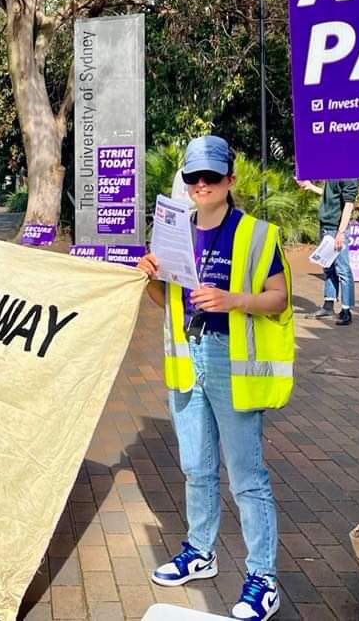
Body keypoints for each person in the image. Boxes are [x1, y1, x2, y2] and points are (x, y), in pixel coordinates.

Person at [137, 135, 294, 621]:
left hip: (233, 361)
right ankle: (200, 551)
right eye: (192, 177)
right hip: (188, 358)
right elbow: (168, 304)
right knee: (195, 467)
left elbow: (279, 299)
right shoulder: (171, 231)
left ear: (230, 179)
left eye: (211, 176)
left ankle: (263, 578)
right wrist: (151, 281)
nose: (201, 184)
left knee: (247, 477)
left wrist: (233, 301)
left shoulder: (258, 234)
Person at [296, 178, 359, 325]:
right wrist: (310, 187)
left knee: (343, 270)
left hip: (336, 229)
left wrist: (341, 232)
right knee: (328, 267)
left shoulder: (349, 176)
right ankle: (328, 305)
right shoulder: (333, 172)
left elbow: (349, 205)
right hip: (325, 226)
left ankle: (346, 310)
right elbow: (330, 195)